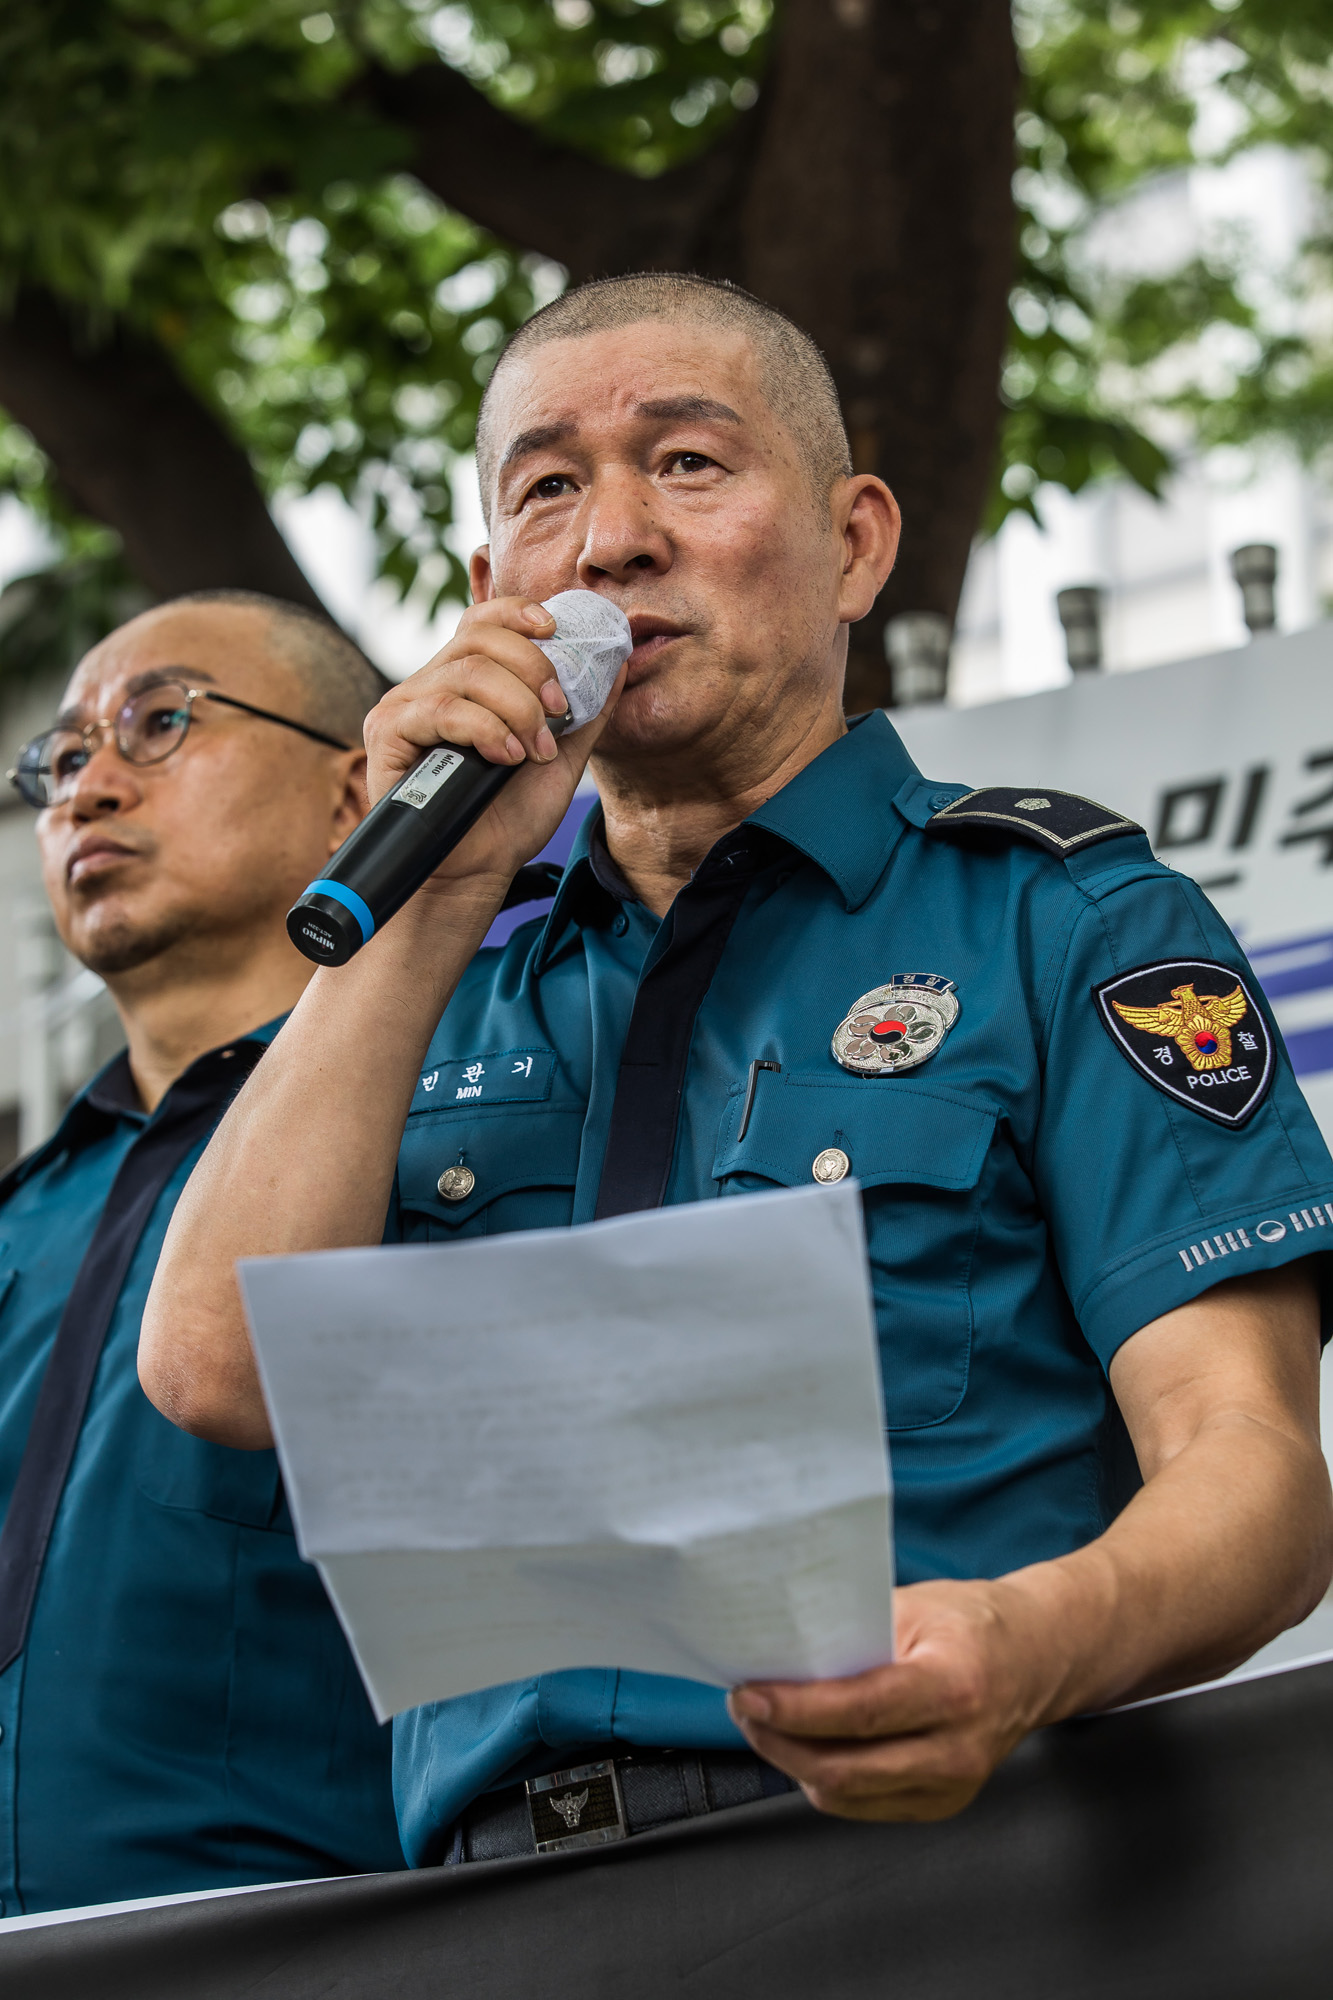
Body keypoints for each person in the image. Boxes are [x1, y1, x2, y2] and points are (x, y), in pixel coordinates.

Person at [141, 278, 1333, 1875]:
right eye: (547, 488)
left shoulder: (1059, 920)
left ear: (853, 544)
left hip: (939, 1856)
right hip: (493, 1902)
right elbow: (215, 1375)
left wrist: (1029, 1642)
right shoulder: (430, 982)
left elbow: (1251, 1465)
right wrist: (428, 905)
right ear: (493, 584)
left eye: (687, 465)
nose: (611, 540)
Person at [0, 590, 405, 1915]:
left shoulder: (447, 1139)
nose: (87, 790)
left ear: (355, 795)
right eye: (61, 760)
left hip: (312, 1937)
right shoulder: (29, 1212)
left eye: (158, 723)